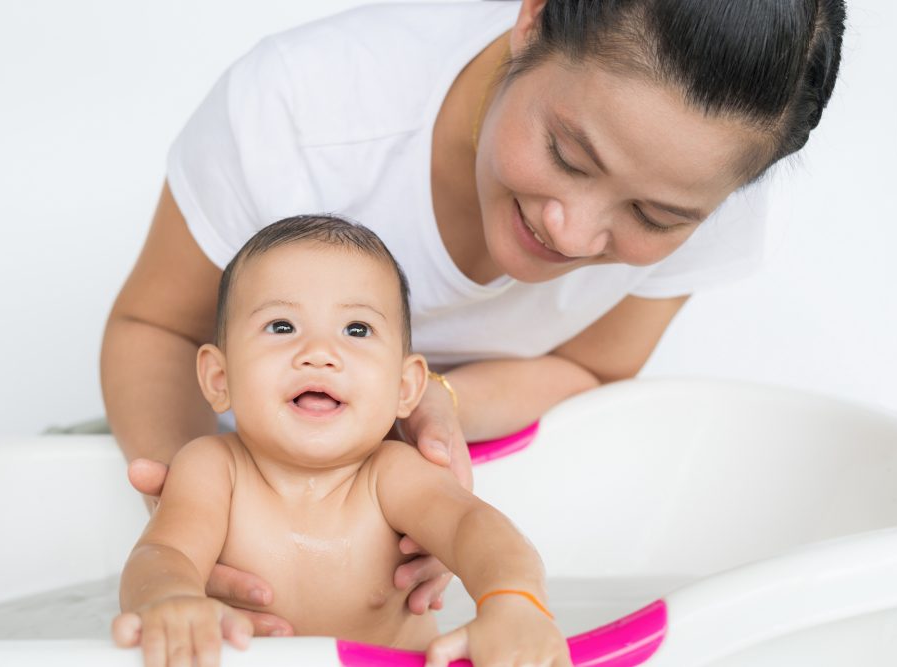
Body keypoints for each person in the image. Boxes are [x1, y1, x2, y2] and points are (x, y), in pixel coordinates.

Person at [101, 0, 846, 637]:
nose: (574, 231)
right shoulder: (297, 112)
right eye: (569, 153)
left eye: (653, 214)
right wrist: (200, 540)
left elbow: (592, 371)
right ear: (531, 20)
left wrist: (443, 408)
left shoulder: (715, 181)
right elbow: (156, 327)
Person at [110, 215, 570, 667]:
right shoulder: (212, 470)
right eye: (282, 326)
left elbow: (477, 528)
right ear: (218, 377)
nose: (319, 354)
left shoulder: (393, 474)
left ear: (406, 387)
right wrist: (171, 600)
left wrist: (514, 601)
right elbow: (163, 553)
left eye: (357, 330)